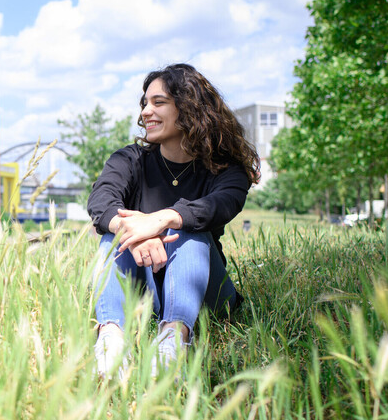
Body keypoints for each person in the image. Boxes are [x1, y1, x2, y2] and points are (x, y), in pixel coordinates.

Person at [87, 63, 260, 378]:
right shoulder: (129, 160)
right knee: (115, 236)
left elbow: (221, 205)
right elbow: (101, 203)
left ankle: (174, 341)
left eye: (158, 102)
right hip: (145, 290)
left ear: (190, 107)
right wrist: (138, 232)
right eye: (144, 103)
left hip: (206, 293)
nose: (145, 112)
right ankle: (111, 340)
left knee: (190, 230)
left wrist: (163, 219)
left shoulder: (228, 171)